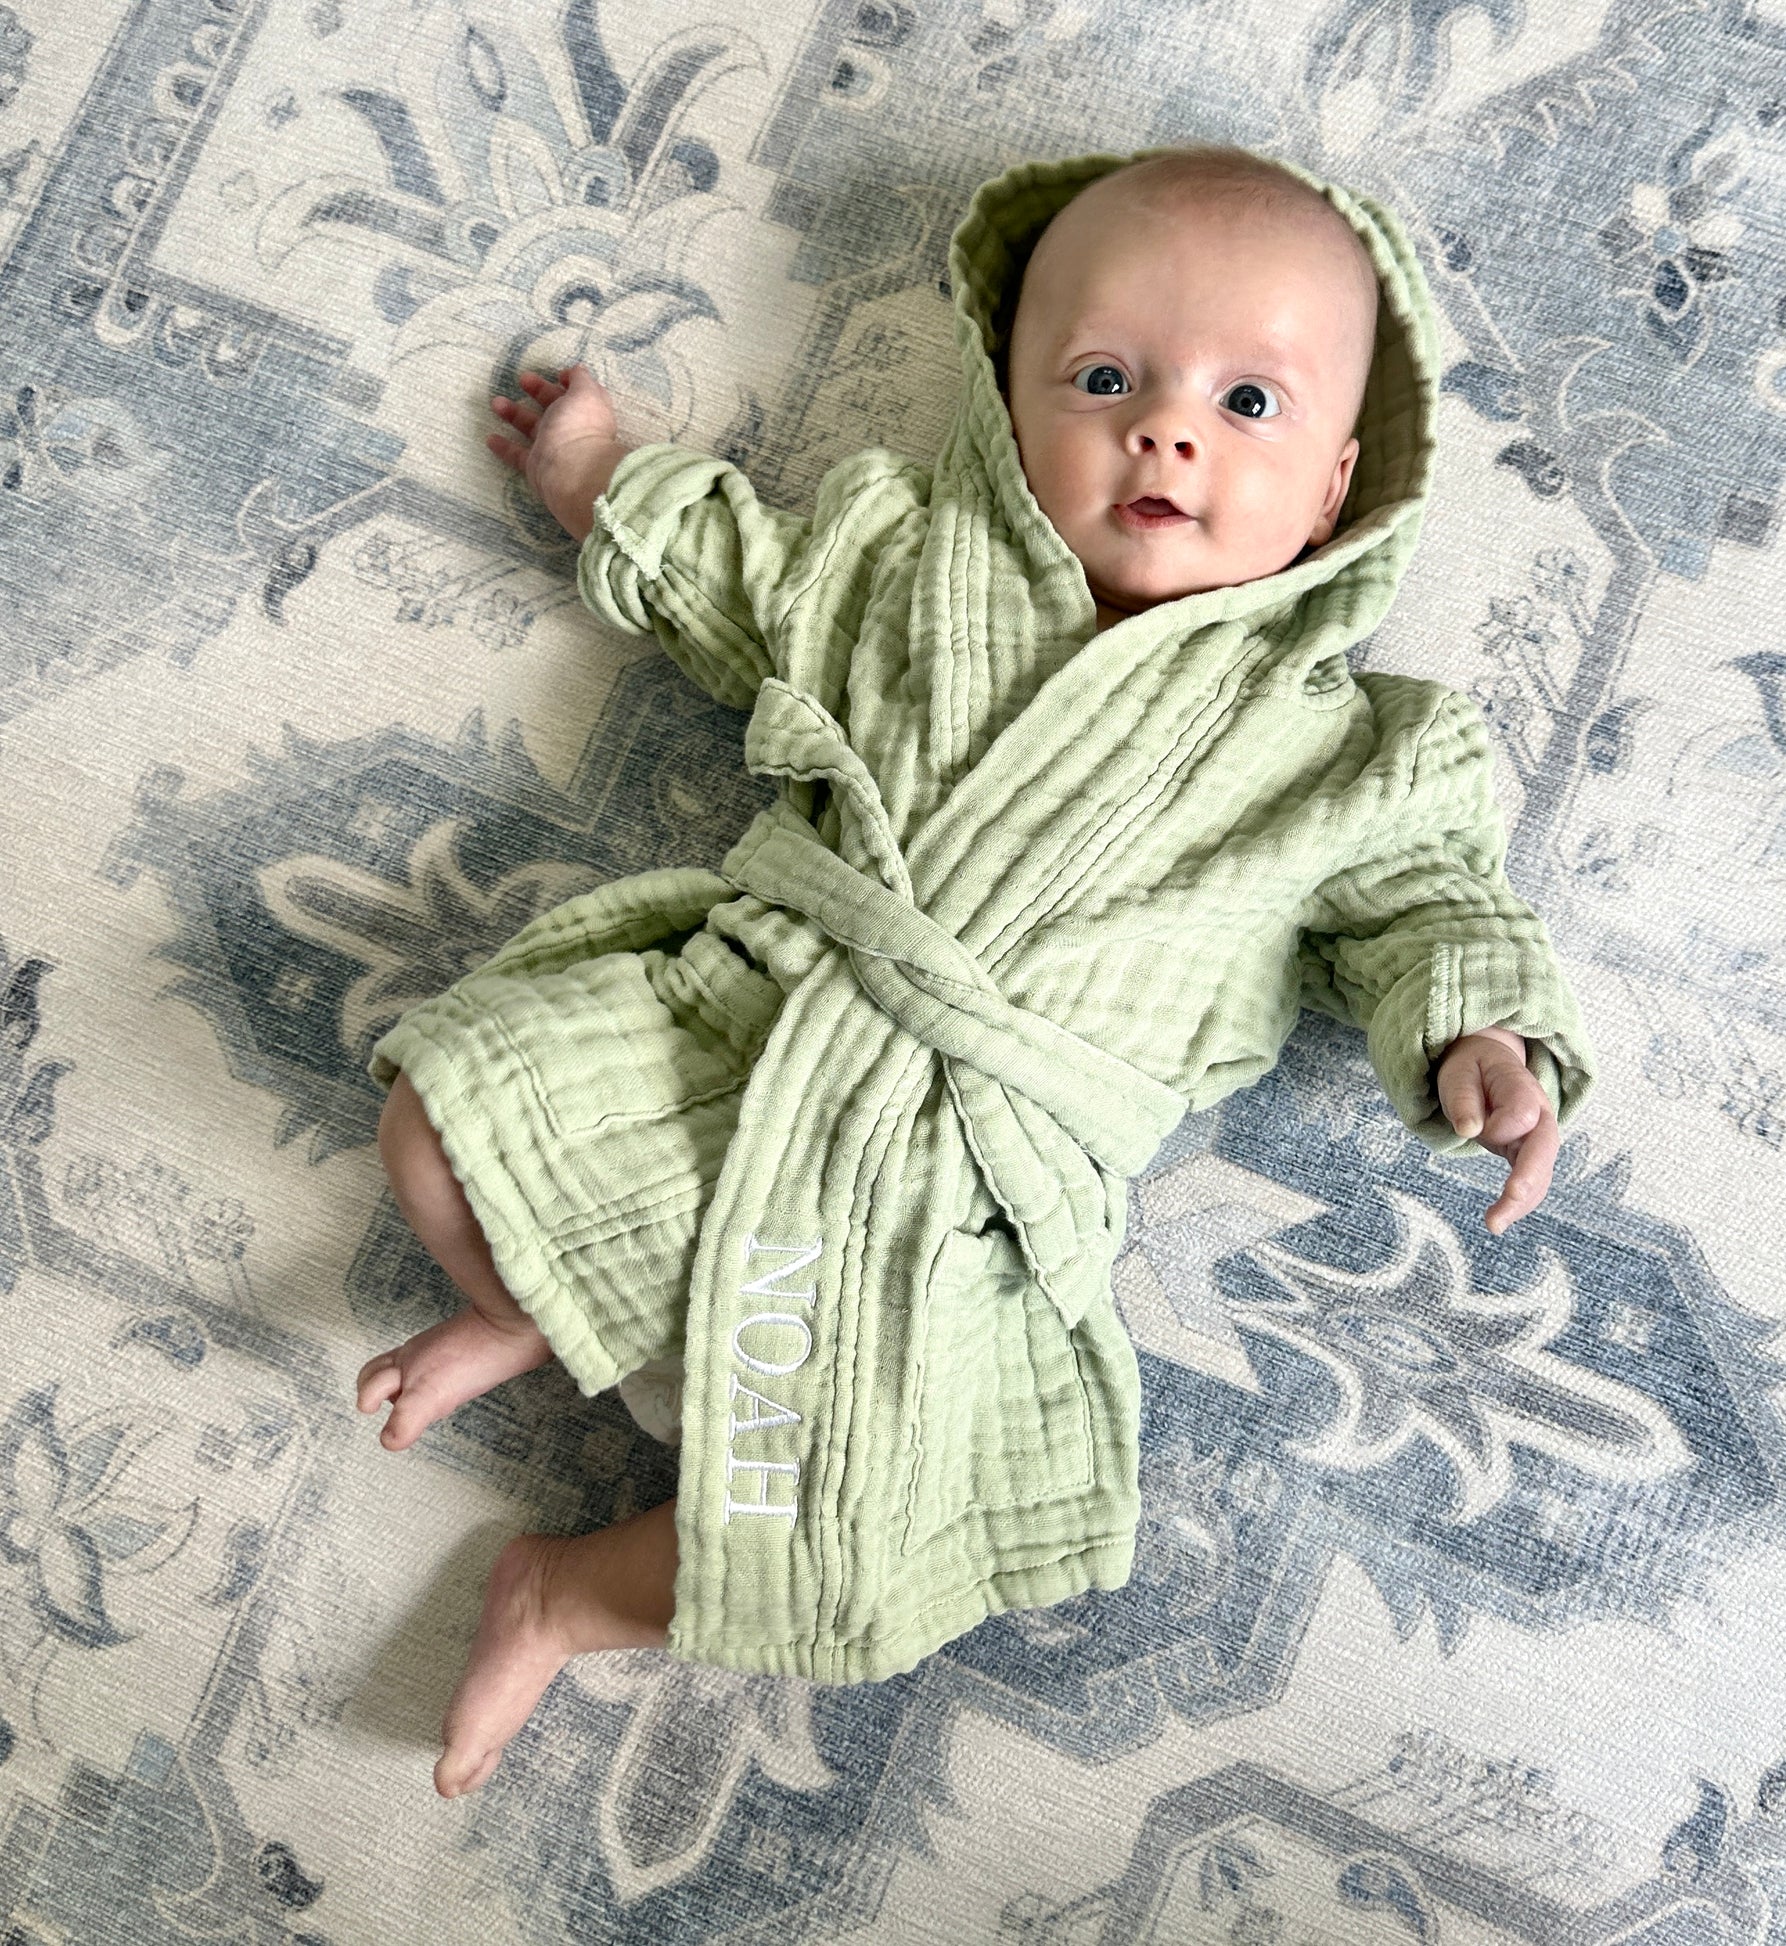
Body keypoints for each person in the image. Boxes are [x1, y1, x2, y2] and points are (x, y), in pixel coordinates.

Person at [356, 143, 1599, 1797]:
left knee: (858, 1554)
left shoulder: (1352, 750)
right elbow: (746, 586)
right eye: (1101, 379)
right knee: (439, 1121)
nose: (1163, 427)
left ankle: (570, 1589)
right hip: (761, 1018)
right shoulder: (906, 565)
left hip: (977, 1198)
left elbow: (1428, 904)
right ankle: (534, 1295)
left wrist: (1477, 1028)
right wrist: (611, 481)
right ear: (1007, 412)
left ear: (1340, 491)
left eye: (1247, 405)